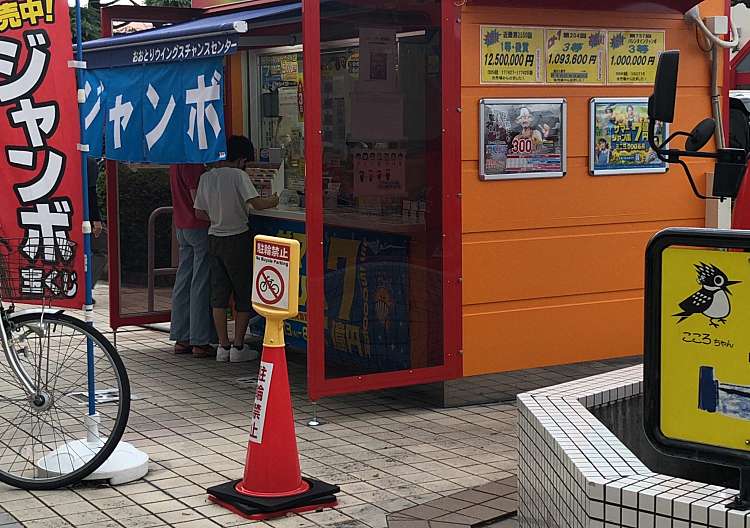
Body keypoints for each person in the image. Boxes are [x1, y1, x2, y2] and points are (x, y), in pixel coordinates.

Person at [194, 136, 279, 362]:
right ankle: (238, 347)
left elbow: (199, 212)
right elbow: (257, 203)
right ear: (242, 159)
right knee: (242, 292)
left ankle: (223, 347)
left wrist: (217, 217)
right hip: (238, 238)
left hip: (214, 239)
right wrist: (277, 198)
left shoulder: (206, 177)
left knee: (219, 294)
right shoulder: (239, 176)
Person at [170, 164, 216, 358]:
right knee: (200, 283)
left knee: (184, 280)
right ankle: (200, 340)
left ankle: (182, 336)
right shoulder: (193, 164)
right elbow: (198, 200)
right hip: (199, 226)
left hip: (181, 225)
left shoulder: (174, 162)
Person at [87, 157, 107, 301]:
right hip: (86, 218)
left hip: (61, 213)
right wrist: (97, 220)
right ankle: (86, 288)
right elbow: (91, 192)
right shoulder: (89, 162)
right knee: (101, 250)